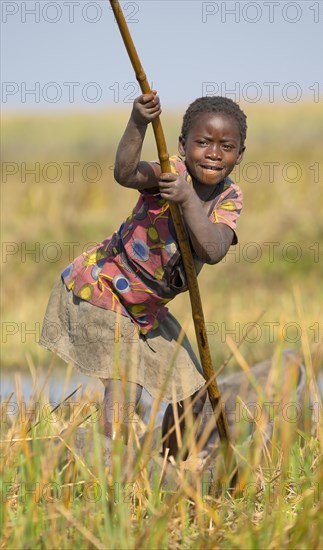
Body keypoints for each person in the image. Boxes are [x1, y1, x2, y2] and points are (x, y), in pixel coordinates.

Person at [39, 91, 247, 459]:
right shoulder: (169, 173)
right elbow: (125, 173)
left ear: (239, 155)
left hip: (148, 309)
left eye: (226, 146)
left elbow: (213, 250)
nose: (214, 153)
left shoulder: (229, 197)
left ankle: (170, 465)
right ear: (182, 146)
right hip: (105, 287)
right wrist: (139, 122)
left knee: (193, 390)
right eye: (203, 143)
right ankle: (113, 470)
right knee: (126, 385)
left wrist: (187, 201)